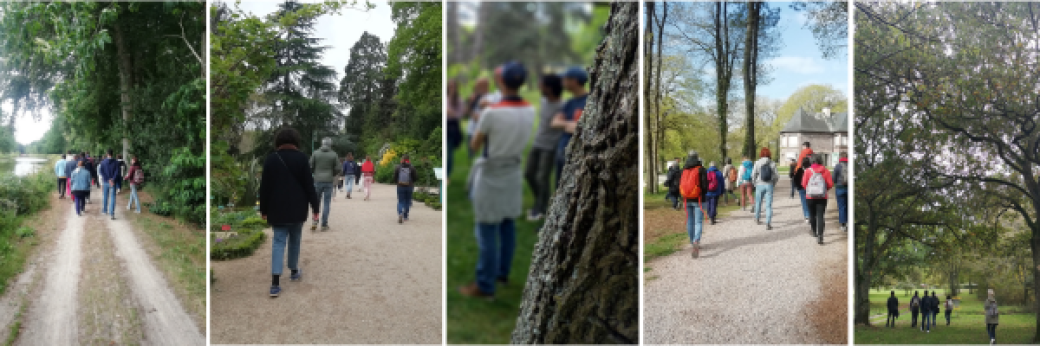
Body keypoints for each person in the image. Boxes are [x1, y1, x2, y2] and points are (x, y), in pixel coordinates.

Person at [459, 61, 535, 299]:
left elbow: (475, 144)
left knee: (486, 227)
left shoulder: (491, 113)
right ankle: (502, 274)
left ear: (500, 81)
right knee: (507, 224)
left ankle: (485, 285)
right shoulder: (530, 109)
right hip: (513, 170)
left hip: (491, 171)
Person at [258, 127, 320, 298]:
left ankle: (275, 283)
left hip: (276, 208)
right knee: (295, 240)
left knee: (278, 242)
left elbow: (264, 188)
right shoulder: (301, 159)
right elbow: (309, 185)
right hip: (297, 208)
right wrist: (315, 207)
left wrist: (263, 209)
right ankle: (293, 271)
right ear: (295, 141)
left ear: (278, 141)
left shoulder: (271, 159)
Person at [524, 74, 564, 221]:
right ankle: (543, 201)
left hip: (550, 147)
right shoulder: (543, 100)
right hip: (537, 143)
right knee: (528, 173)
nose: (539, 86)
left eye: (541, 84)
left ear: (549, 88)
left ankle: (541, 208)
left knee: (542, 178)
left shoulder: (562, 106)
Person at [551, 67, 589, 189]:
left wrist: (567, 124)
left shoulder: (589, 101)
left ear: (574, 81)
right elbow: (554, 123)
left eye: (565, 79)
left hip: (576, 154)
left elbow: (582, 129)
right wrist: (569, 125)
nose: (562, 82)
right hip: (562, 150)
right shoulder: (570, 102)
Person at [309, 137, 342, 232]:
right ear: (330, 144)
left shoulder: (315, 153)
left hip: (317, 180)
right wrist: (332, 174)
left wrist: (315, 173)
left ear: (322, 143)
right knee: (327, 203)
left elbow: (310, 166)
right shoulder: (333, 154)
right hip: (328, 180)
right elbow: (338, 168)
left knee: (316, 202)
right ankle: (324, 224)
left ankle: (315, 221)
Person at [680, 151, 709, 258]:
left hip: (686, 199)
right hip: (699, 200)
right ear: (697, 158)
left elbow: (681, 184)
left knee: (690, 221)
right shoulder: (701, 169)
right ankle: (696, 240)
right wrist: (703, 193)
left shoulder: (684, 169)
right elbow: (705, 186)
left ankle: (692, 241)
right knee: (698, 222)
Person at [803, 155, 834, 245]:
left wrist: (809, 190)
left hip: (810, 197)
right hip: (822, 197)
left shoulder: (808, 171)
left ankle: (813, 231)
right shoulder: (826, 171)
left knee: (812, 215)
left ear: (812, 161)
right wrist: (824, 190)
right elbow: (830, 184)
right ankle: (820, 235)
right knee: (820, 215)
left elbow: (804, 184)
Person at [751, 148, 779, 230]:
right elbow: (777, 176)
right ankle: (768, 223)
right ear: (769, 154)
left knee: (758, 203)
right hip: (769, 185)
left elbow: (753, 175)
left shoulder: (757, 163)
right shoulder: (772, 163)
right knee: (768, 205)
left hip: (759, 185)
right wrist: (773, 183)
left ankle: (757, 218)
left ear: (761, 154)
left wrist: (755, 183)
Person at [393, 155, 418, 223]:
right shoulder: (412, 167)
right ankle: (405, 216)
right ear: (408, 160)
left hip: (400, 186)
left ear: (402, 159)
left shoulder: (398, 167)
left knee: (400, 201)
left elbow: (394, 177)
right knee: (407, 201)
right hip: (409, 186)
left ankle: (400, 213)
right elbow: (415, 177)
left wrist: (397, 182)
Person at [447, 79, 464, 178]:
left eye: (453, 86)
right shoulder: (445, 99)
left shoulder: (459, 100)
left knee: (449, 151)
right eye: (450, 86)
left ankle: (447, 175)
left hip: (452, 126)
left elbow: (461, 115)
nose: (452, 88)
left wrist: (451, 113)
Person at [99, 149, 121, 220]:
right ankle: (112, 213)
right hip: (113, 182)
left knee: (105, 196)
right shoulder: (116, 162)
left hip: (106, 181)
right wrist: (113, 179)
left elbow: (101, 172)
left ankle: (105, 210)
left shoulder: (103, 162)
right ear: (112, 154)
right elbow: (117, 172)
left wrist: (108, 179)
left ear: (107, 154)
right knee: (113, 197)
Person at [834, 153, 849, 232]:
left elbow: (834, 179)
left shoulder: (837, 166)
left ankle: (843, 225)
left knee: (841, 207)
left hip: (840, 188)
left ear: (840, 157)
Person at [795, 156, 811, 223]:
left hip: (801, 188)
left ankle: (807, 216)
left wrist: (798, 187)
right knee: (810, 202)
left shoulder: (799, 170)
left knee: (804, 203)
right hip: (810, 189)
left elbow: (795, 179)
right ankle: (811, 215)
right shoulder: (811, 170)